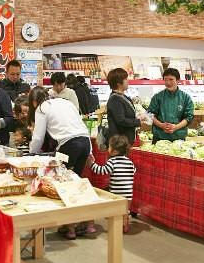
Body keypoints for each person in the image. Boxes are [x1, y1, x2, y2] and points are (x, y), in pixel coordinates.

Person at [27, 86, 91, 239]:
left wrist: (31, 154)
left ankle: (69, 227)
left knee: (63, 184)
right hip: (84, 143)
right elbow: (81, 125)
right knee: (76, 183)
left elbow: (38, 138)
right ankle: (84, 223)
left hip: (68, 146)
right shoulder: (65, 102)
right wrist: (90, 152)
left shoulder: (42, 107)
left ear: (34, 101)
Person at [87, 134, 136, 233]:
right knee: (125, 211)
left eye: (109, 147)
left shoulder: (112, 161)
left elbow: (101, 171)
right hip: (128, 194)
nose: (108, 149)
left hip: (116, 194)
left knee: (115, 212)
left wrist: (91, 164)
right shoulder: (130, 162)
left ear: (115, 151)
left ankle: (116, 228)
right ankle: (124, 225)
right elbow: (134, 171)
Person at [147, 68, 194, 144]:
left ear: (178, 80)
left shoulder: (185, 98)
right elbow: (150, 114)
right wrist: (161, 125)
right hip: (159, 137)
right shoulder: (158, 97)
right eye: (165, 79)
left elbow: (189, 117)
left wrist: (176, 127)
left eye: (171, 79)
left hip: (179, 138)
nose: (168, 82)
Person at [106, 68, 141, 145]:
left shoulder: (122, 96)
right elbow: (121, 120)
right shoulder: (115, 99)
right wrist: (138, 122)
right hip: (119, 142)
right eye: (125, 79)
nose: (128, 81)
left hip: (125, 140)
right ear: (118, 83)